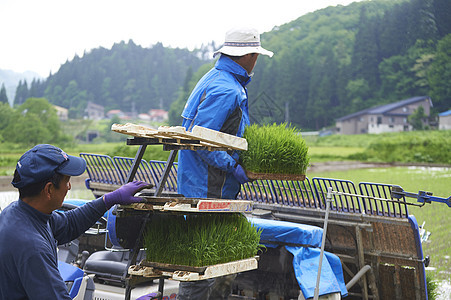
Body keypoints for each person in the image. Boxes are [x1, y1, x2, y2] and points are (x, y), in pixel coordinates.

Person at [177, 27, 274, 299]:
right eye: (256, 54)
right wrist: (234, 168)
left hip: (200, 183)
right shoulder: (226, 89)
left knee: (214, 260)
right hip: (209, 188)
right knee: (203, 264)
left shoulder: (217, 78)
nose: (257, 60)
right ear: (248, 56)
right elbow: (202, 140)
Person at [0, 144, 150, 300]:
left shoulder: (20, 213)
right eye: (67, 181)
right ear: (49, 189)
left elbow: (69, 224)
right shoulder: (32, 248)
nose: (69, 187)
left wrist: (109, 199)